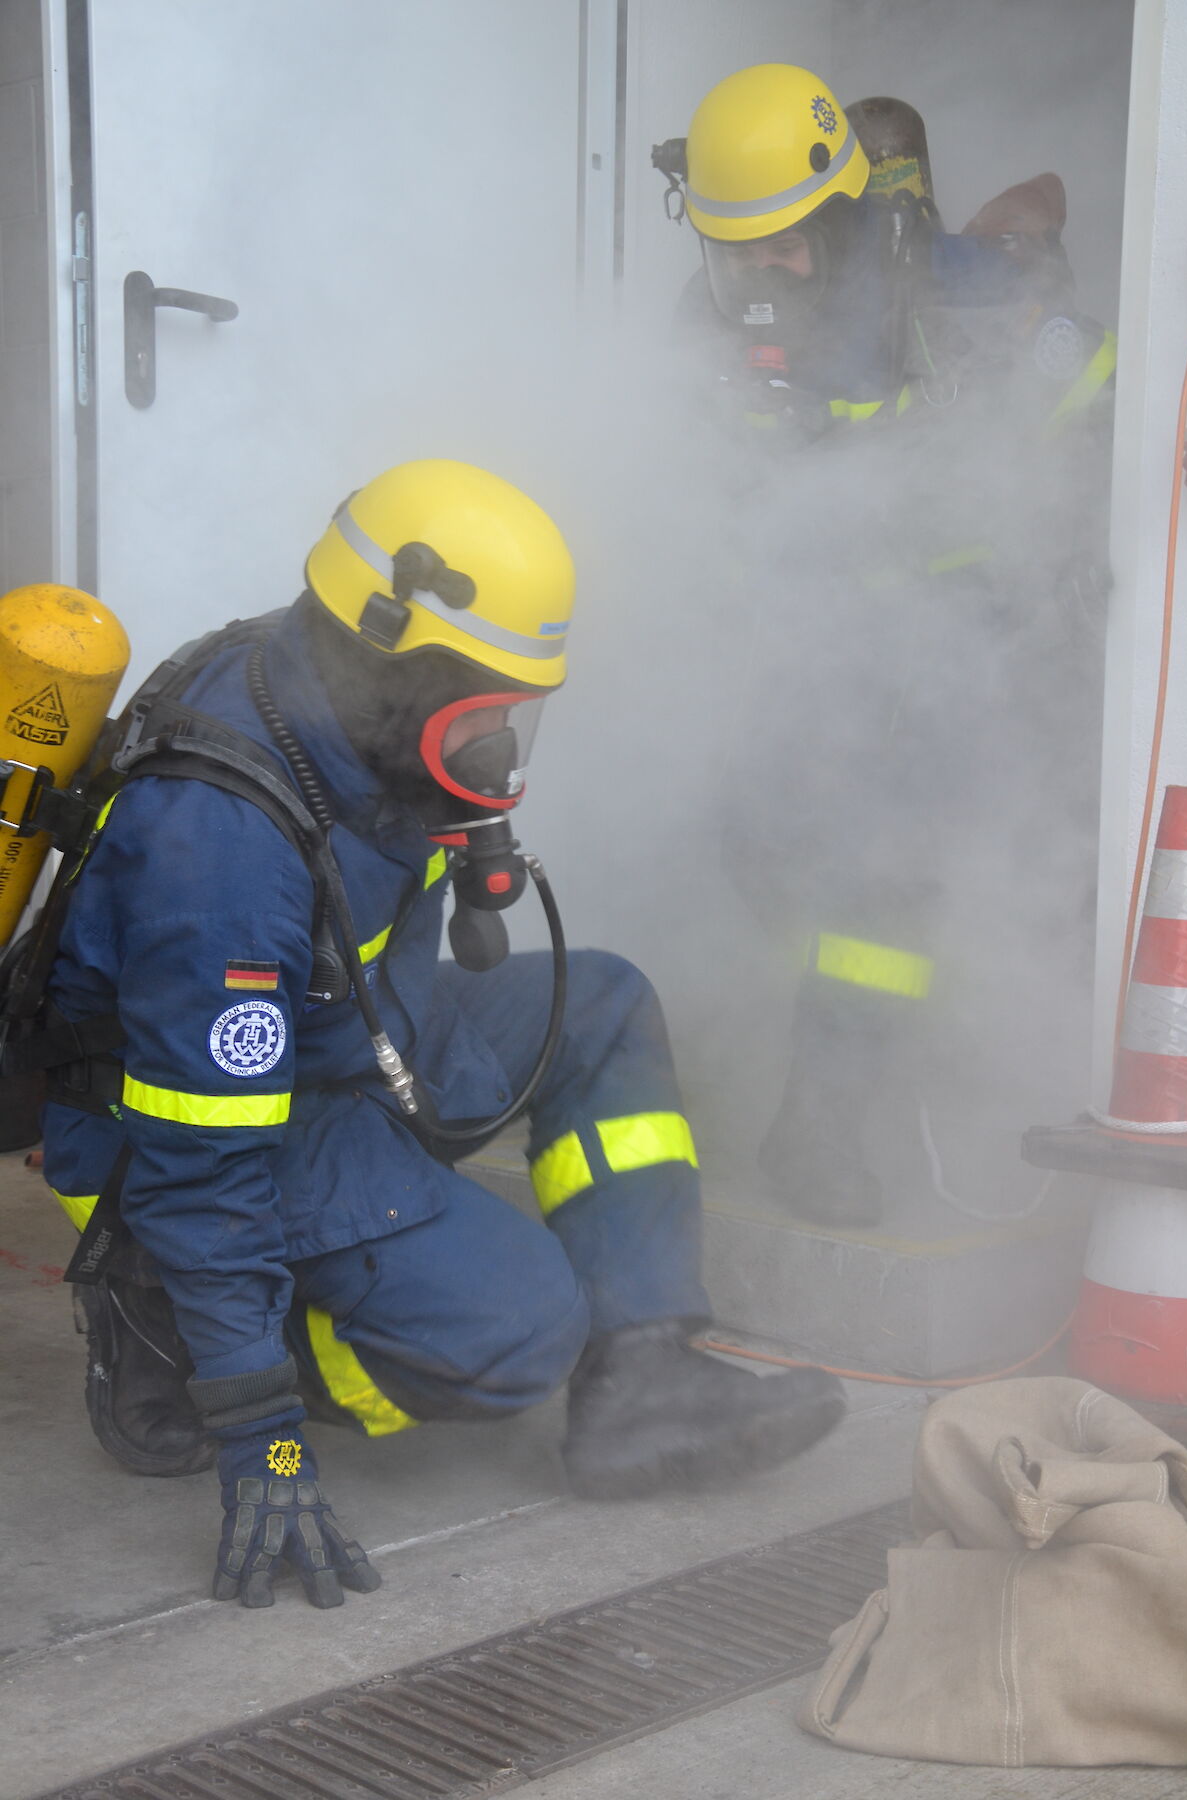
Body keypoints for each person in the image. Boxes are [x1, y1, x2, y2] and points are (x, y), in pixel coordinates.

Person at [41, 459, 844, 1609]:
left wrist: (461, 838)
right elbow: (201, 1172)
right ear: (394, 663)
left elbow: (380, 888)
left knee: (601, 999)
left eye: (514, 714)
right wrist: (259, 1438)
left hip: (345, 1044)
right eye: (483, 713)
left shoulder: (350, 709)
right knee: (519, 1334)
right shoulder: (217, 853)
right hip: (204, 1142)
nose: (500, 748)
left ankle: (645, 1371)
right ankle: (166, 1335)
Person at [653, 66, 1115, 1227]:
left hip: (962, 641)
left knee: (883, 883)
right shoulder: (708, 322)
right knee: (753, 842)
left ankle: (830, 1116)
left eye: (783, 251)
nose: (756, 282)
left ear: (851, 215)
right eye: (731, 253)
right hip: (807, 637)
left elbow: (1102, 391)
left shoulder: (971, 304)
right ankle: (816, 1048)